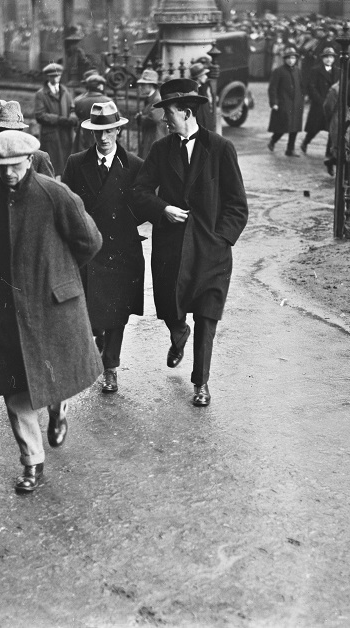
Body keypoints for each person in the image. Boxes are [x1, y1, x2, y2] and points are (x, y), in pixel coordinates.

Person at [0, 130, 102, 494]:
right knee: (16, 389)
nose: (8, 173)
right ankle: (32, 462)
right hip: (5, 310)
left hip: (51, 304)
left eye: (15, 165)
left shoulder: (53, 193)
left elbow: (89, 241)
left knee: (53, 375)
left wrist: (59, 272)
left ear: (29, 160)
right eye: (1, 167)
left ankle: (58, 407)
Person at [132, 78, 249, 407]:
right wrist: (162, 209)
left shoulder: (220, 148)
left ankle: (201, 382)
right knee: (171, 305)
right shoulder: (160, 150)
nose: (164, 121)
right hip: (171, 246)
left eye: (168, 114)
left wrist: (220, 239)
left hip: (211, 250)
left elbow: (237, 205)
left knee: (207, 316)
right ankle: (177, 331)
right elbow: (139, 193)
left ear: (186, 112)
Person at [61, 101, 146, 394]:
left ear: (119, 130)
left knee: (117, 310)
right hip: (89, 248)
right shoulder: (76, 163)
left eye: (109, 130)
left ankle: (110, 367)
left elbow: (144, 205)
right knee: (92, 309)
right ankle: (99, 342)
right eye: (98, 132)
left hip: (121, 248)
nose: (104, 137)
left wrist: (126, 222)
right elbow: (67, 203)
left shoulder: (134, 165)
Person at [0, 100, 55, 194]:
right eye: (0, 130)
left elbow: (51, 194)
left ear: (20, 131)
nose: (5, 138)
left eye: (10, 132)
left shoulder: (39, 158)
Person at [34, 62, 78, 174]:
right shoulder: (41, 94)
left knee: (66, 166)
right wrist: (59, 119)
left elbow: (72, 107)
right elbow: (40, 115)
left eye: (58, 75)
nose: (56, 78)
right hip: (51, 135)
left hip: (65, 134)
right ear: (48, 77)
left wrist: (72, 117)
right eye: (53, 76)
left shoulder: (65, 90)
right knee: (50, 166)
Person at [267, 46, 305, 156]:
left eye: (293, 58)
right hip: (284, 103)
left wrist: (301, 99)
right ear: (285, 59)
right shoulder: (278, 71)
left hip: (296, 104)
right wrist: (274, 102)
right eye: (288, 58)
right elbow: (272, 88)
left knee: (295, 128)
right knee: (283, 126)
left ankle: (290, 149)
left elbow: (301, 86)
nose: (291, 60)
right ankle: (273, 140)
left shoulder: (298, 71)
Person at [300, 47, 337, 155]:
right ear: (322, 59)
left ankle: (329, 152)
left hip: (332, 104)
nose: (328, 60)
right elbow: (312, 86)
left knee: (332, 128)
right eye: (326, 57)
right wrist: (319, 100)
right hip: (319, 103)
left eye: (331, 57)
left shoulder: (338, 71)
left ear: (334, 59)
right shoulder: (316, 70)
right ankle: (306, 142)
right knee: (315, 127)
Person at [72, 73, 112, 152]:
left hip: (82, 136)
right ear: (100, 86)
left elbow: (73, 118)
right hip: (102, 135)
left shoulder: (78, 100)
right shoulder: (107, 101)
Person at [135, 68, 167, 158]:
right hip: (151, 138)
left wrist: (140, 118)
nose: (140, 87)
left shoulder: (157, 99)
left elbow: (154, 118)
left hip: (155, 138)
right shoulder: (151, 98)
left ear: (151, 85)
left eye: (143, 84)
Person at [190, 62, 216, 132]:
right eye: (204, 74)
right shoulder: (192, 92)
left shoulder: (204, 88)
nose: (206, 77)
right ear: (199, 77)